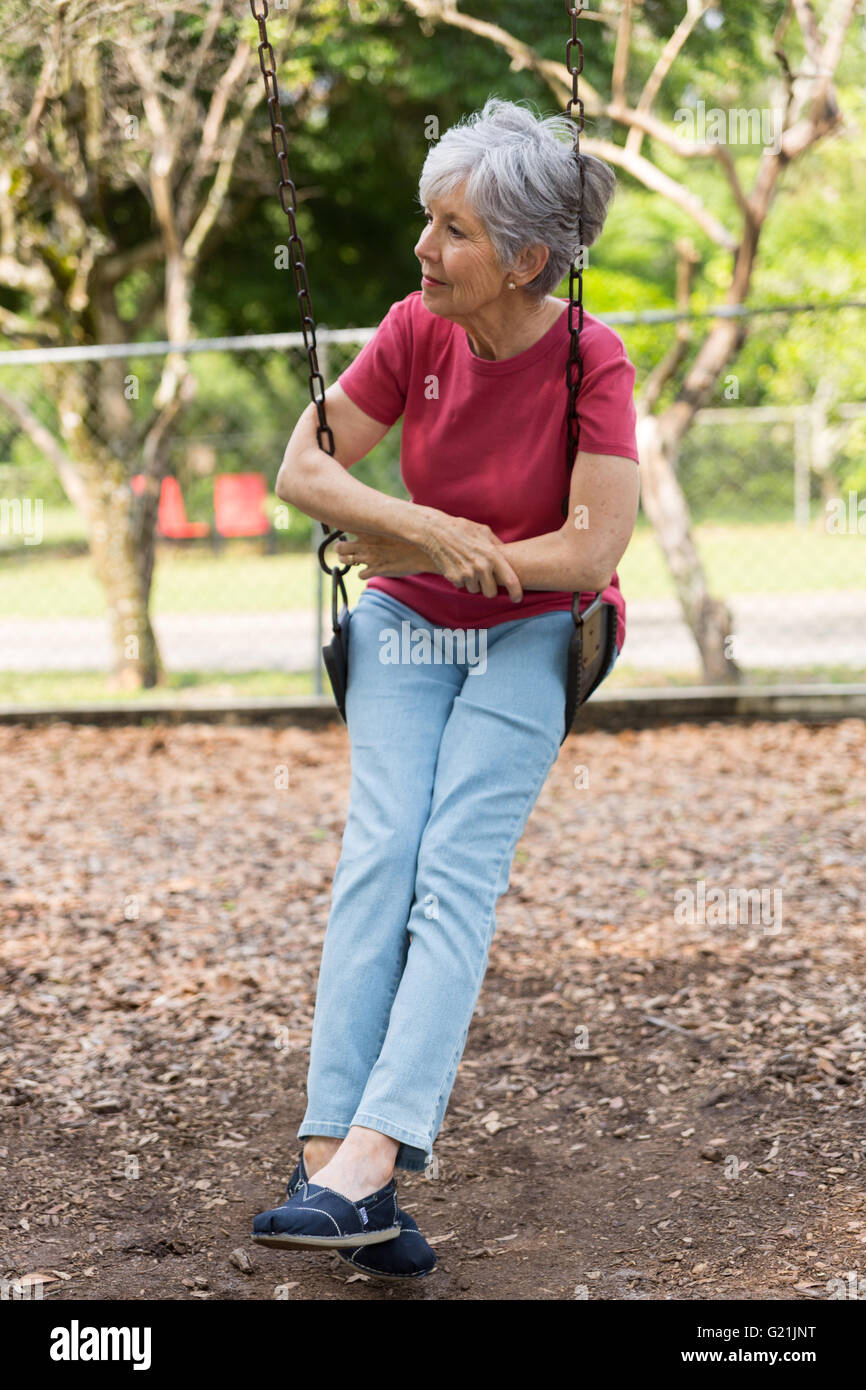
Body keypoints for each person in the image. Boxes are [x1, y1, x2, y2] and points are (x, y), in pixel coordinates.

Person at [252, 97, 640, 1281]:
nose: (422, 249)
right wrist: (419, 530)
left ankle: (374, 1150)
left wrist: (428, 547)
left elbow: (587, 551)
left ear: (527, 257)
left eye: (452, 229)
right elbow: (302, 470)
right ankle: (334, 1158)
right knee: (382, 850)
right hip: (410, 622)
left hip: (538, 628)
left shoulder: (591, 356)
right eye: (429, 222)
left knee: (454, 865)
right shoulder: (413, 330)